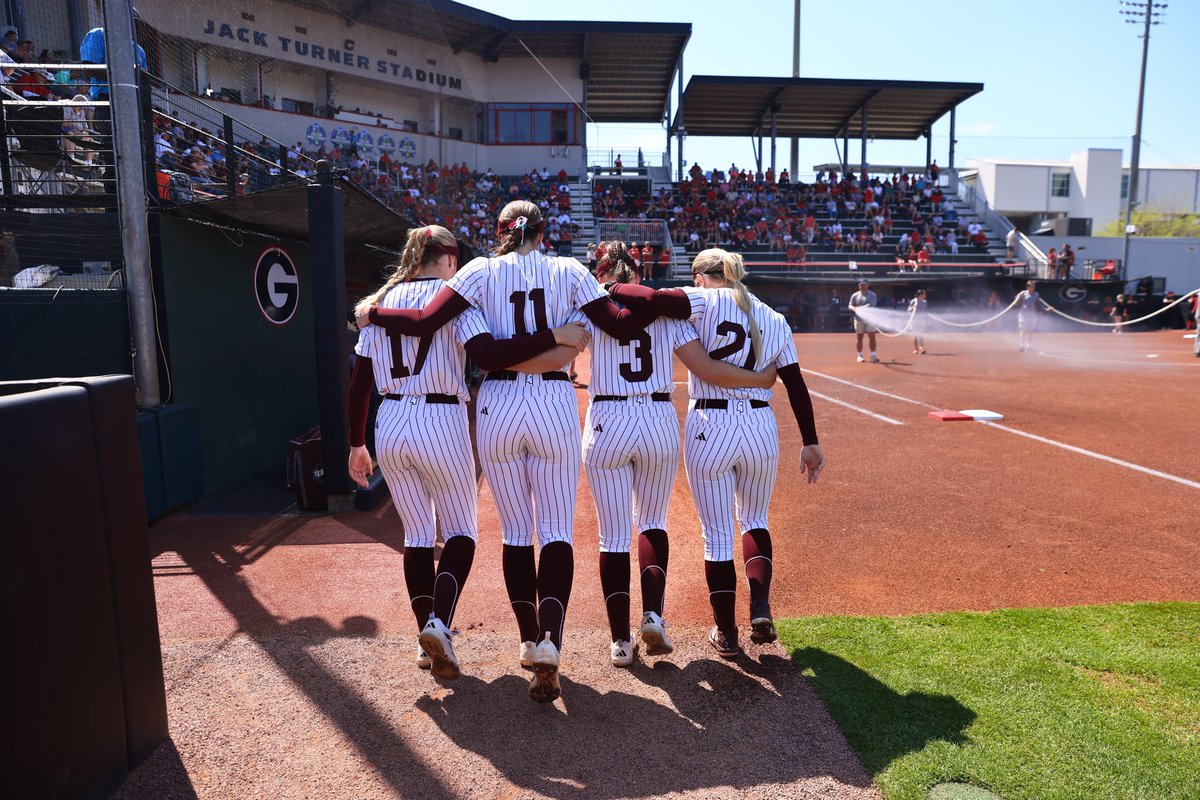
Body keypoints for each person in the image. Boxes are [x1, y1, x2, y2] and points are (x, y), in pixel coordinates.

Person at [360, 200, 656, 703]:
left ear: (498, 233)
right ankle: (549, 643)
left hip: (496, 402)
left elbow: (431, 323)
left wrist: (373, 309)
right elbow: (623, 325)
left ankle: (525, 638)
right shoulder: (567, 268)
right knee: (556, 530)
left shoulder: (477, 270)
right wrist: (648, 300)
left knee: (517, 532)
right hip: (552, 399)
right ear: (544, 232)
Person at [348, 225, 582, 682]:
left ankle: (426, 637)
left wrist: (356, 444)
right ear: (451, 258)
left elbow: (360, 383)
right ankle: (438, 623)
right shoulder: (455, 296)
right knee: (460, 533)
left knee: (416, 536)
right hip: (441, 418)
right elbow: (487, 352)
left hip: (390, 420)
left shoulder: (380, 304)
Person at [603, 249, 825, 657]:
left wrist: (611, 285)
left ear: (704, 275)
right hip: (760, 426)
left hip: (712, 424)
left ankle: (727, 632)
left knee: (718, 537)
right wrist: (810, 440)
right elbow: (795, 384)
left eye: (695, 276)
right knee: (755, 520)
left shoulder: (703, 301)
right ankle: (760, 606)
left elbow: (651, 300)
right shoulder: (774, 318)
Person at [577, 241, 777, 667]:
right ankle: (654, 616)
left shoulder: (590, 306)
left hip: (607, 416)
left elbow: (562, 356)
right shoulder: (667, 312)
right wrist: (758, 380)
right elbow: (704, 368)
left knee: (612, 535)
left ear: (603, 275)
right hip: (656, 417)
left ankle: (619, 641)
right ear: (637, 273)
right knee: (652, 522)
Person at [848, 280, 880, 363]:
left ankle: (873, 355)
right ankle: (859, 356)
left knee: (872, 337)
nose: (862, 286)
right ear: (859, 286)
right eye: (861, 285)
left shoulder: (872, 295)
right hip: (859, 319)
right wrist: (853, 308)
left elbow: (871, 305)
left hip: (870, 319)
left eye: (864, 285)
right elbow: (850, 304)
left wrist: (859, 308)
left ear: (867, 285)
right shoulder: (855, 295)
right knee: (859, 338)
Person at [1015, 280, 1041, 352]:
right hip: (1023, 315)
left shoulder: (1036, 294)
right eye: (1031, 286)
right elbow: (1016, 303)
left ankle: (1029, 346)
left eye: (1034, 286)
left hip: (1032, 315)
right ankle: (1022, 346)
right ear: (1027, 287)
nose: (1033, 288)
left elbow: (1039, 304)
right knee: (1023, 330)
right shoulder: (1023, 293)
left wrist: (1047, 309)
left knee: (1030, 331)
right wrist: (1019, 296)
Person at [909, 289, 928, 354]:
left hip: (922, 320)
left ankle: (921, 348)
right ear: (920, 294)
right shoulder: (913, 301)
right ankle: (916, 349)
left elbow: (925, 311)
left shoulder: (925, 302)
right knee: (915, 335)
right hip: (914, 320)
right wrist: (913, 307)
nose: (925, 295)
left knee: (921, 335)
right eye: (923, 294)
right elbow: (908, 309)